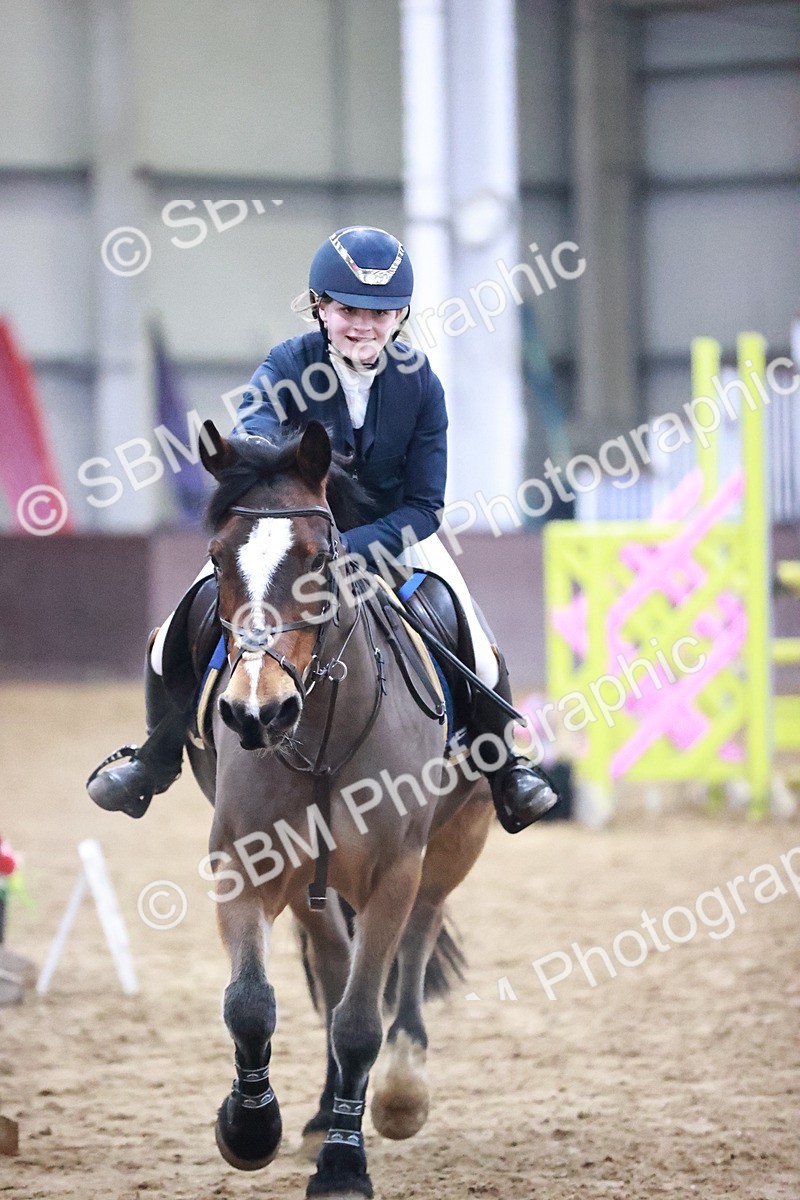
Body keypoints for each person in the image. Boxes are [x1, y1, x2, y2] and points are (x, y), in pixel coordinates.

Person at [87, 226, 556, 831]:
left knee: (472, 634)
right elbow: (254, 418)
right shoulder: (290, 362)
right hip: (287, 538)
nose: (363, 325)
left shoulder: (420, 384)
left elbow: (425, 506)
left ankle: (505, 770)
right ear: (320, 307)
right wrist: (255, 451)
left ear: (400, 316)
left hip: (389, 539)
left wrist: (349, 549)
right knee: (182, 621)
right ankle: (155, 759)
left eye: (380, 313)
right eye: (347, 310)